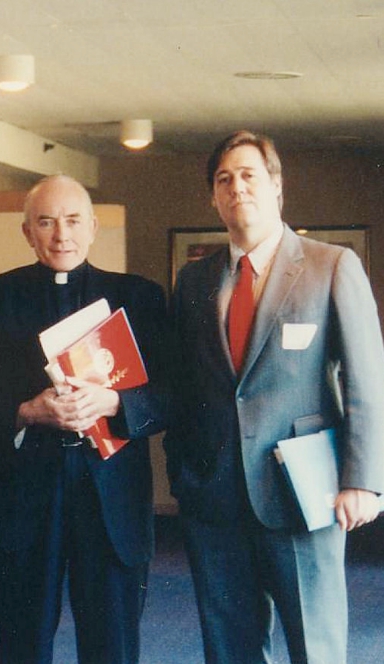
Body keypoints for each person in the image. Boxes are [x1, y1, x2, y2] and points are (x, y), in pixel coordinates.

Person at [165, 130, 384, 664]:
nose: (237, 187)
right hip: (215, 500)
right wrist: (183, 472)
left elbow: (366, 380)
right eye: (224, 179)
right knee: (231, 648)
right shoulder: (194, 280)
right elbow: (184, 384)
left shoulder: (330, 265)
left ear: (276, 188)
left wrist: (363, 480)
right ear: (214, 198)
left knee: (317, 646)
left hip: (303, 495)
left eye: (248, 175)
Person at [0, 174, 168, 664]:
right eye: (46, 222)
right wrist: (29, 410)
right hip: (23, 496)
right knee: (22, 645)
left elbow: (172, 397)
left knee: (113, 646)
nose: (61, 235)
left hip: (110, 498)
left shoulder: (138, 297)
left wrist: (114, 403)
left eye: (72, 221)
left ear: (93, 228)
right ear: (27, 232)